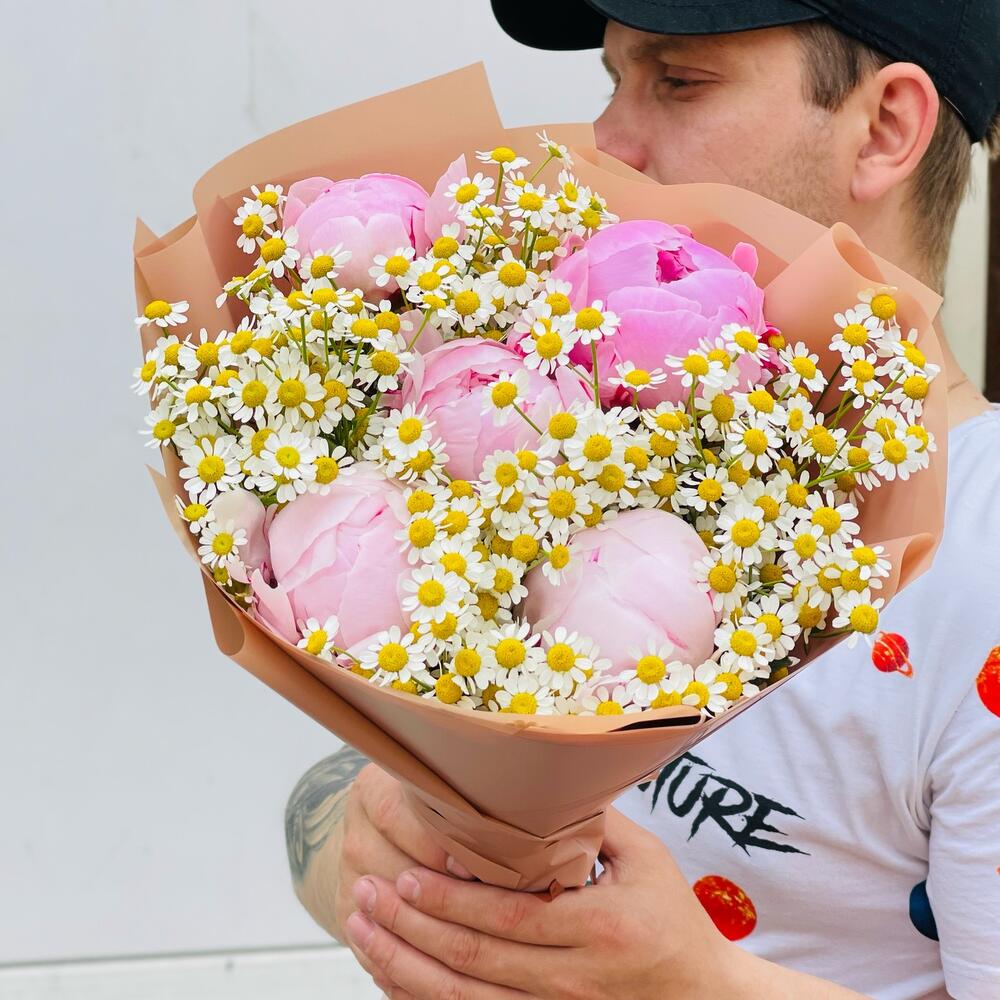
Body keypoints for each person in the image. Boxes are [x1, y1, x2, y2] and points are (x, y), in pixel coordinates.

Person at [283, 2, 1000, 996]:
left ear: (883, 128)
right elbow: (328, 807)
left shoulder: (981, 558)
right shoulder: (564, 430)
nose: (606, 141)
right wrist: (367, 849)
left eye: (678, 81)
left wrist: (695, 981)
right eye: (613, 80)